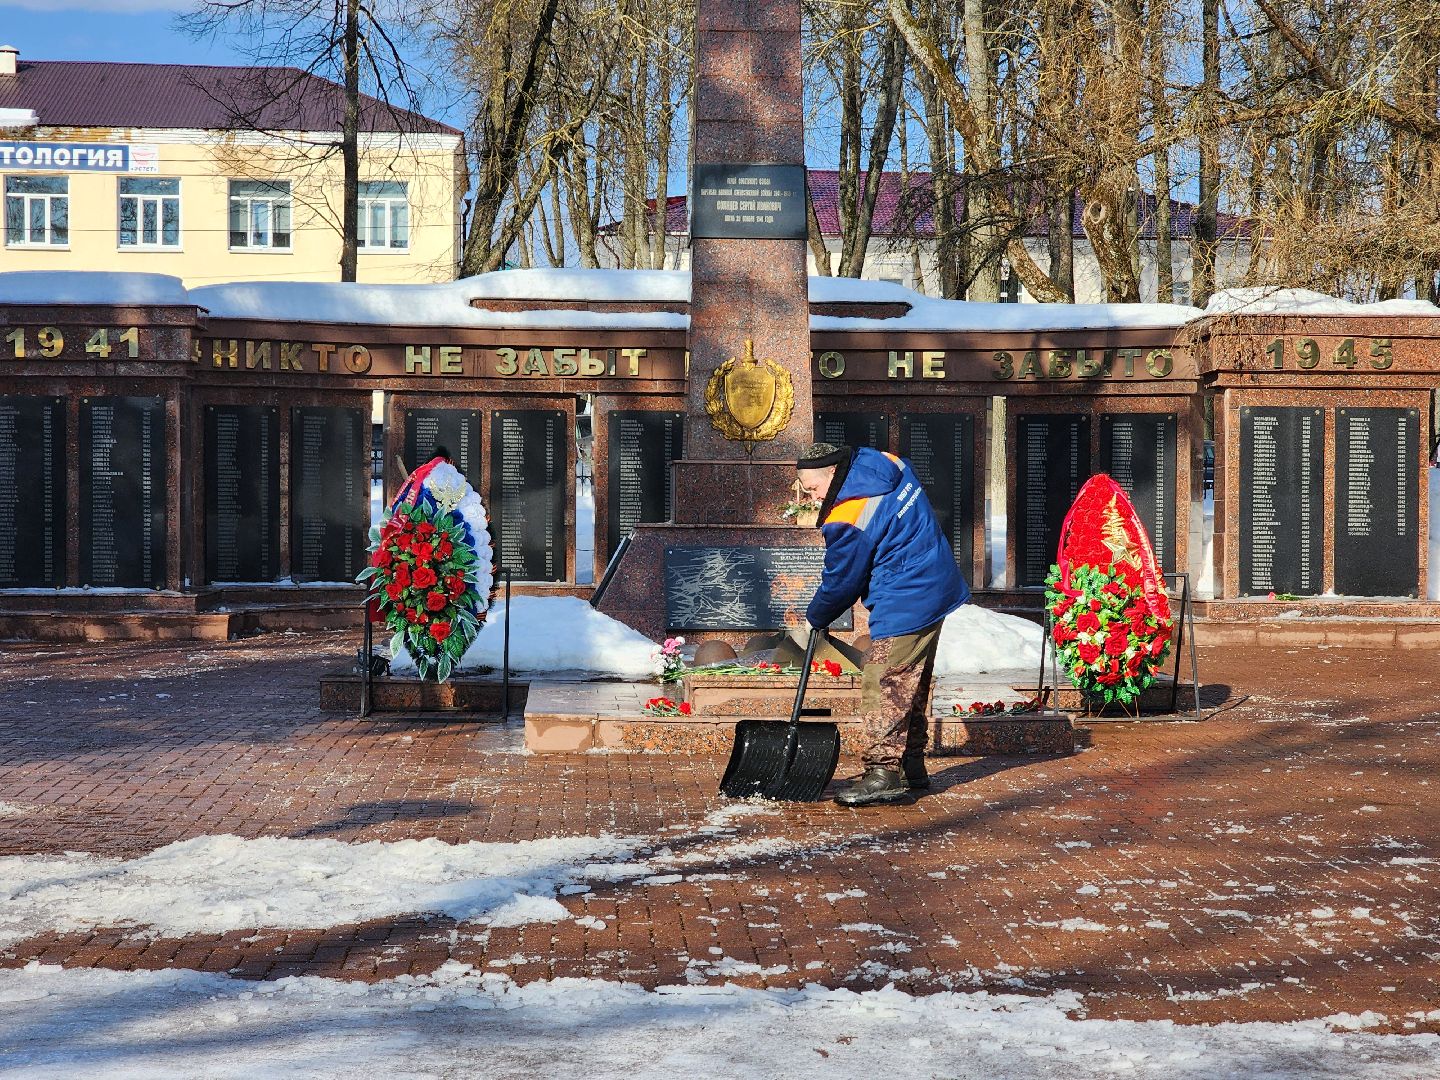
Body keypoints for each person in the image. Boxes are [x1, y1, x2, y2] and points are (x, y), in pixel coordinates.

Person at [796, 442, 970, 806]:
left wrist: (816, 616)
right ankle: (910, 765)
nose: (811, 498)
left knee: (881, 682)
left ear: (833, 472)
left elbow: (842, 581)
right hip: (935, 584)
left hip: (907, 596)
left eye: (813, 488)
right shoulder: (887, 463)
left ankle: (882, 772)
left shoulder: (850, 516)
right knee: (912, 681)